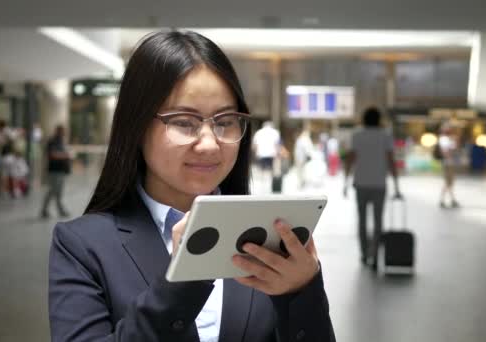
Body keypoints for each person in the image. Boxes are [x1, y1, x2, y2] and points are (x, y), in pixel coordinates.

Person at [48, 31, 336, 342]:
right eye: (184, 122)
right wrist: (183, 280)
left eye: (225, 121)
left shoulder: (265, 238)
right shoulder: (81, 246)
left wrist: (301, 292)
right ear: (137, 125)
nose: (210, 144)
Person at [343, 107, 401, 270]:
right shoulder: (385, 136)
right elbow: (391, 161)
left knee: (361, 220)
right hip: (379, 185)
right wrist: (396, 185)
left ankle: (364, 254)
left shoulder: (357, 135)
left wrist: (346, 183)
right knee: (378, 222)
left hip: (361, 184)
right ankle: (375, 255)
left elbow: (350, 160)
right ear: (378, 119)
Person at [40, 125, 71, 219]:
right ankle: (44, 210)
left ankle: (60, 210)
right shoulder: (52, 141)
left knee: (58, 192)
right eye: (63, 131)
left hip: (61, 170)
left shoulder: (61, 141)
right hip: (54, 170)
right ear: (58, 131)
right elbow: (52, 154)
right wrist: (65, 155)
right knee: (53, 190)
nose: (64, 133)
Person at [438, 123, 460, 208]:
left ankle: (452, 200)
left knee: (450, 182)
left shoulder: (449, 139)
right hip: (448, 163)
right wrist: (450, 154)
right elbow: (445, 151)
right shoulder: (443, 139)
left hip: (450, 162)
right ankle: (443, 200)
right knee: (448, 182)